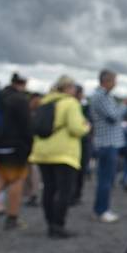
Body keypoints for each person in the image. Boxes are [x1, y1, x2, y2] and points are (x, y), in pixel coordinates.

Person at [28, 75, 90, 238]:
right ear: (68, 88)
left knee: (49, 188)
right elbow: (76, 129)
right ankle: (58, 225)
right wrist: (86, 127)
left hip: (42, 152)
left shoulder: (45, 102)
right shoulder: (70, 103)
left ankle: (50, 223)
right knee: (64, 191)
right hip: (64, 153)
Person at [0, 72, 33, 230]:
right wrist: (29, 145)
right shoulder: (20, 99)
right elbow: (26, 125)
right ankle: (12, 217)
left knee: (3, 179)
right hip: (15, 146)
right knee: (16, 179)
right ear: (23, 83)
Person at [88, 69, 127, 223]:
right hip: (108, 144)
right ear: (106, 80)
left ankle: (100, 209)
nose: (116, 83)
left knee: (105, 178)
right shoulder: (101, 96)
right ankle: (102, 210)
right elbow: (114, 116)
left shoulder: (102, 96)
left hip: (107, 143)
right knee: (106, 179)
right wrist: (126, 103)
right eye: (114, 80)